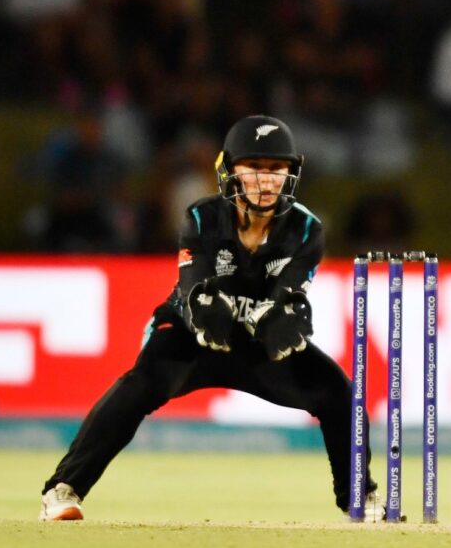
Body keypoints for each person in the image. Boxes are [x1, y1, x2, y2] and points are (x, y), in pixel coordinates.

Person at [39, 115, 381, 522]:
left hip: (257, 344)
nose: (266, 179)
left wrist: (282, 317)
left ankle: (359, 498)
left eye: (276, 169)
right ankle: (62, 490)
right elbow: (198, 296)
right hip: (193, 336)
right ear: (230, 171)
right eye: (254, 167)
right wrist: (231, 309)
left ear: (292, 172)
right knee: (140, 384)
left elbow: (287, 301)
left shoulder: (306, 228)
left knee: (337, 392)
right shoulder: (201, 217)